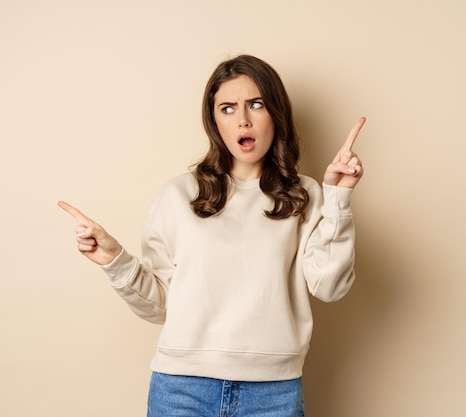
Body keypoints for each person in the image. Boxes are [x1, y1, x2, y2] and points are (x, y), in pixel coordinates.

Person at [59, 54, 365, 417]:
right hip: (181, 390)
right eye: (228, 108)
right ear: (214, 120)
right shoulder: (178, 195)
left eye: (256, 104)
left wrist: (338, 198)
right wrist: (115, 260)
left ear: (276, 113)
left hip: (274, 394)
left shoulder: (306, 195)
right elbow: (161, 306)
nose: (244, 119)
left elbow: (330, 286)